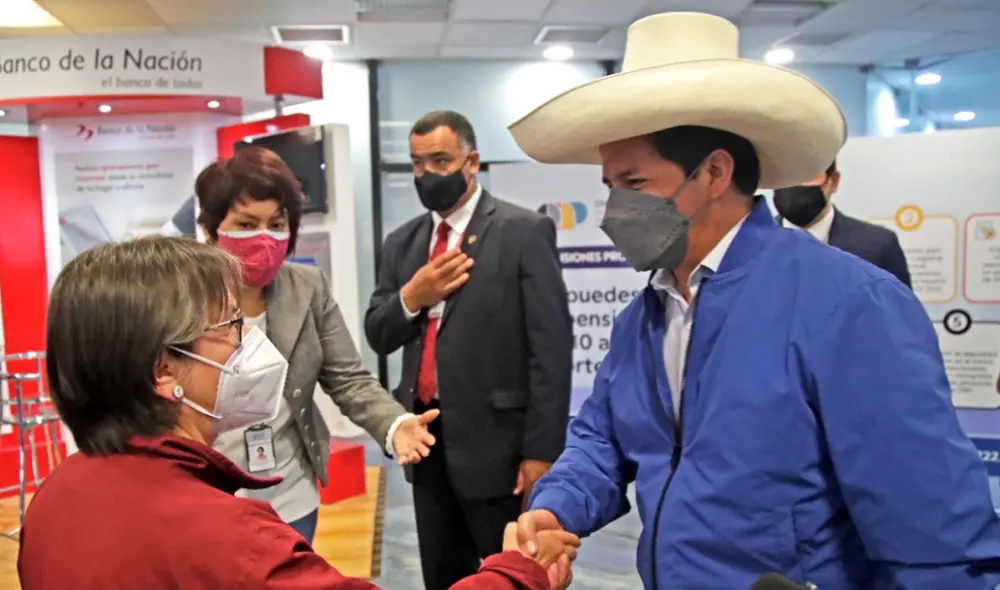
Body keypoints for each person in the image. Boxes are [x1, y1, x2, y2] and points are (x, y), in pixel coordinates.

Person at [506, 12, 1000, 589]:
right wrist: (558, 505)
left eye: (634, 185)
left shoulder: (849, 306)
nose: (616, 211)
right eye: (610, 188)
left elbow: (933, 532)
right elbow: (603, 439)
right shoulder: (645, 316)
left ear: (715, 171)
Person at [18, 237, 579, 590]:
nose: (251, 347)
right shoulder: (231, 539)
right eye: (230, 330)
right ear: (164, 370)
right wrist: (517, 573)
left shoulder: (55, 496)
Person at [365, 110, 573, 590]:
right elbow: (379, 333)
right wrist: (411, 298)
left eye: (440, 160)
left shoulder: (522, 232)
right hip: (427, 446)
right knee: (443, 576)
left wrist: (542, 452)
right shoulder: (403, 244)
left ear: (472, 161)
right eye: (417, 164)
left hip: (500, 452)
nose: (427, 174)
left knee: (516, 577)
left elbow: (551, 350)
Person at [195, 147, 436, 543]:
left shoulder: (306, 287)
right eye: (246, 223)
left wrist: (394, 424)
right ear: (210, 228)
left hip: (291, 498)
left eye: (277, 223)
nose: (264, 237)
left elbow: (348, 378)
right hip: (210, 502)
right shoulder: (176, 296)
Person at [773, 160, 912, 287]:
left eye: (807, 176)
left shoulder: (878, 246)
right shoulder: (753, 244)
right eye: (785, 176)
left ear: (833, 181)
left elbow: (902, 312)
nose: (794, 185)